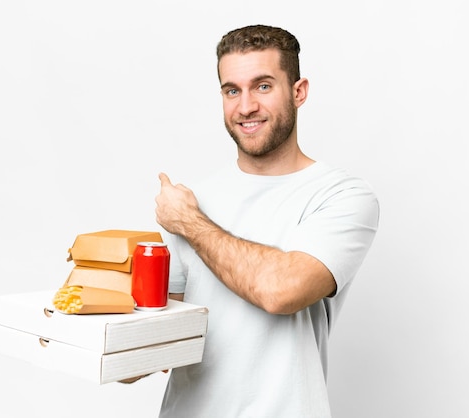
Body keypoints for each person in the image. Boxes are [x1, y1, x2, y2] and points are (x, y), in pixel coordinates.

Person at [152, 24, 379, 417]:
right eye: (231, 90)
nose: (245, 107)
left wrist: (189, 222)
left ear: (298, 91)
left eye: (263, 86)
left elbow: (281, 292)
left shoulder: (342, 196)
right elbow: (161, 346)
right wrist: (99, 330)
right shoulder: (193, 200)